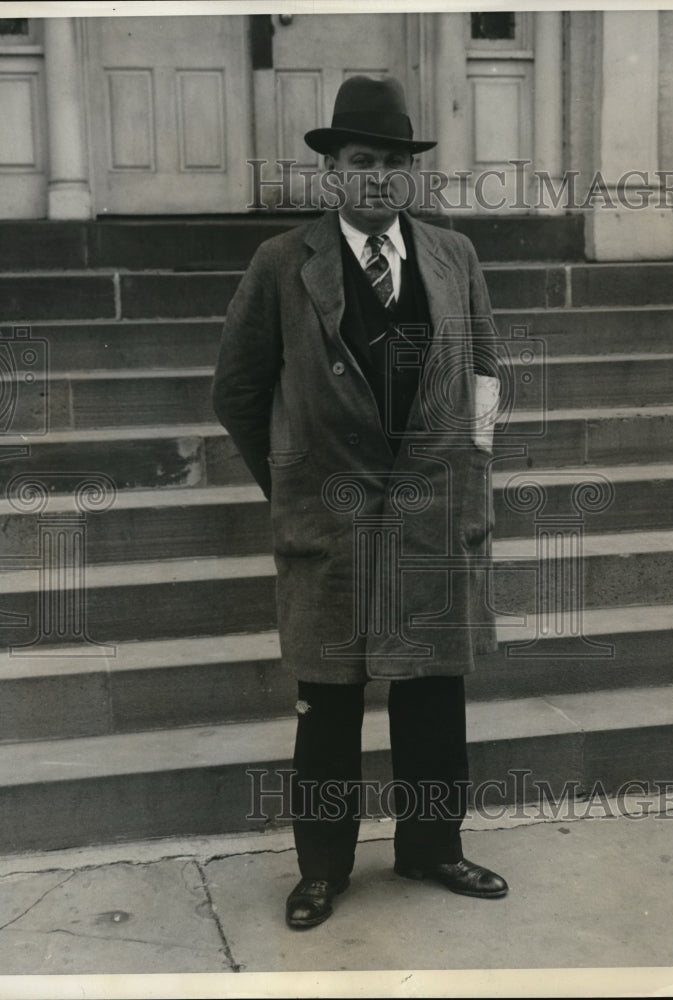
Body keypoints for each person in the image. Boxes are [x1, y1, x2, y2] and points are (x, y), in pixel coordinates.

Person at [212, 75, 508, 930]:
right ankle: (321, 871)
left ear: (409, 174)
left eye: (391, 163)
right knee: (329, 702)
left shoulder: (453, 256)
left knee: (430, 693)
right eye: (359, 160)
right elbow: (236, 390)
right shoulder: (283, 265)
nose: (376, 177)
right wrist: (295, 485)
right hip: (330, 522)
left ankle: (431, 847)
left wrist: (468, 467)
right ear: (332, 171)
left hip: (433, 514)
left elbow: (488, 373)